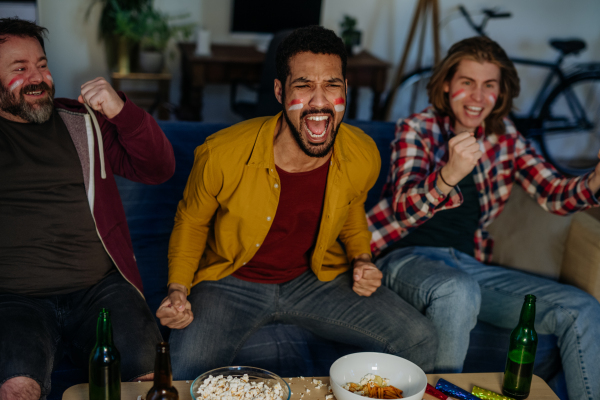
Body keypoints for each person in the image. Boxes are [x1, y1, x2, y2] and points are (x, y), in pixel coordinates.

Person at [157, 26, 437, 378]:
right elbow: (192, 222)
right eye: (303, 85)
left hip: (315, 279)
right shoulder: (220, 154)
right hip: (231, 281)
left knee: (420, 339)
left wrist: (362, 258)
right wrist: (178, 290)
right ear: (279, 90)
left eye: (332, 85)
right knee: (183, 374)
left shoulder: (363, 152)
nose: (319, 102)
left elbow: (352, 210)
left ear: (345, 89)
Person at [368, 36, 600, 400]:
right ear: (447, 85)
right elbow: (404, 207)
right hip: (407, 258)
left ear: (500, 91)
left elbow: (554, 194)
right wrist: (449, 173)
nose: (477, 97)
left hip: (470, 266)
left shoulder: (504, 135)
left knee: (581, 308)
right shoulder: (418, 129)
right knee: (458, 290)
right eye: (467, 83)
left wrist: (597, 177)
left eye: (489, 85)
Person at [0, 18, 175, 400]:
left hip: (102, 291)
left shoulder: (83, 124)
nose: (38, 77)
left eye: (42, 65)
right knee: (16, 388)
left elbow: (159, 168)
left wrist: (122, 112)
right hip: (14, 299)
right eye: (20, 69)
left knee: (151, 382)